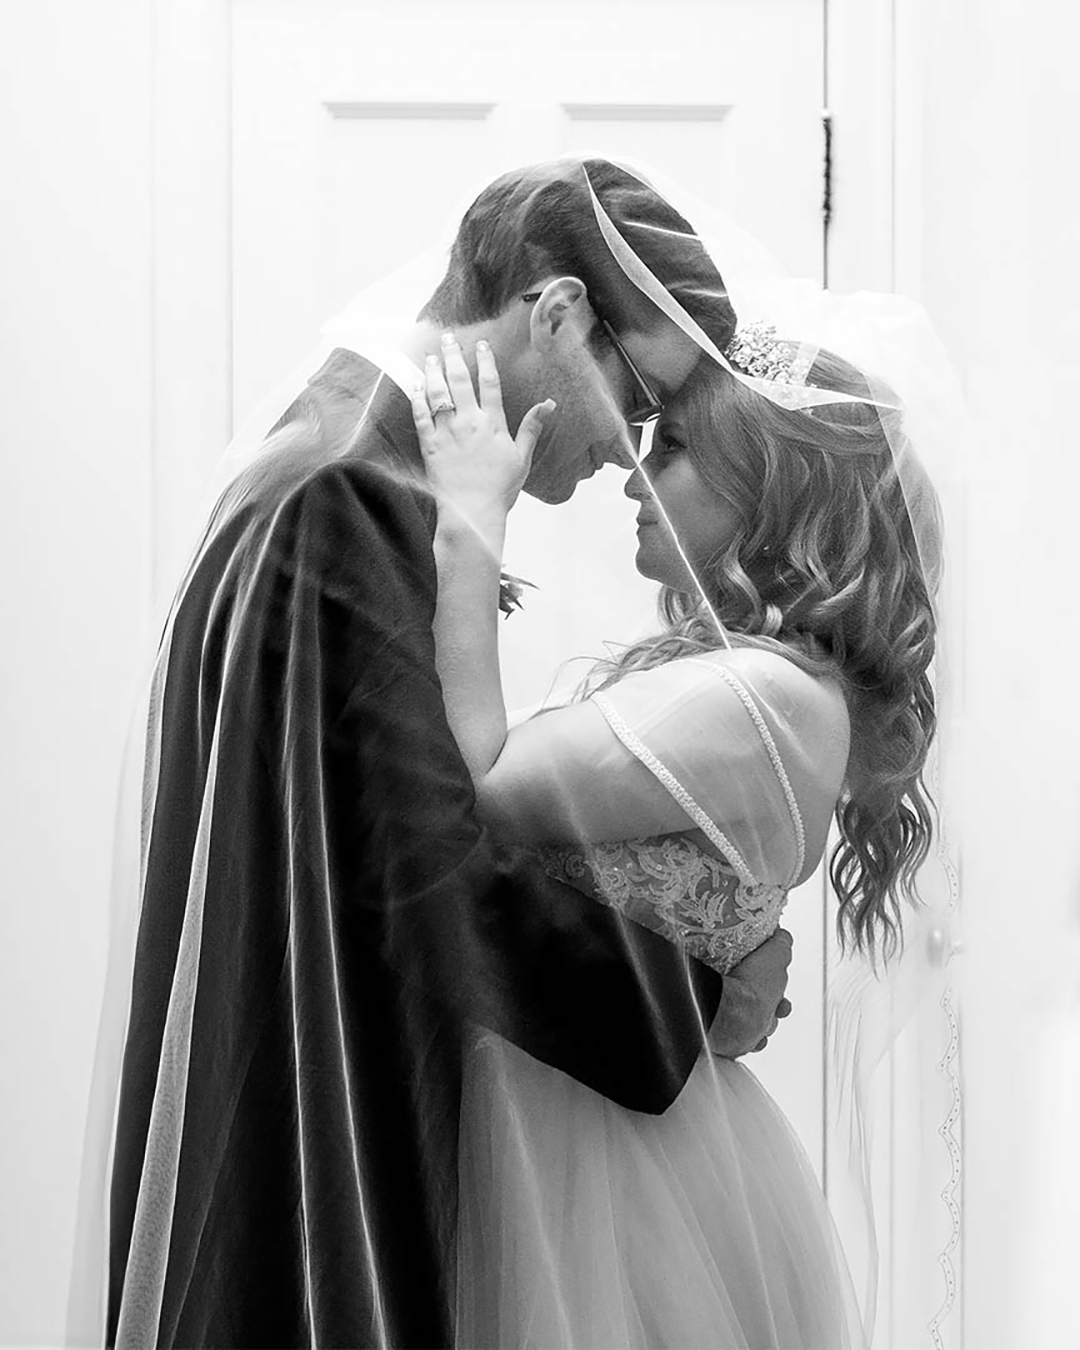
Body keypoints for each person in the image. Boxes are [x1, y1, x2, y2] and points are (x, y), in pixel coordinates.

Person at [80, 159, 795, 1350]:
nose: (637, 459)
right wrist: (698, 1001)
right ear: (558, 316)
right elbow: (429, 883)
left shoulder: (334, 449)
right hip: (319, 1136)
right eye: (644, 401)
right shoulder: (347, 497)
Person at [410, 311, 942, 1347]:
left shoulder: (767, 696)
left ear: (773, 496)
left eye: (677, 447)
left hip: (608, 1162)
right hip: (573, 1115)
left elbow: (481, 784)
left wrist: (474, 516)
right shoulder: (757, 684)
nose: (632, 470)